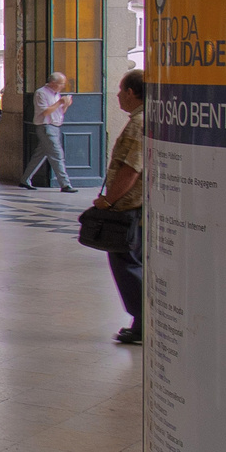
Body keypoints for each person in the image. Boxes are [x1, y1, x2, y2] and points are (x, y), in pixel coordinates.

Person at [98, 70, 146, 345]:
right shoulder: (140, 120)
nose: (117, 95)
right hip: (132, 205)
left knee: (126, 261)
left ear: (131, 92)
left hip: (130, 207)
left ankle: (144, 319)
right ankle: (140, 322)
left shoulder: (138, 123)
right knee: (130, 262)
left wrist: (108, 200)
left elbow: (131, 169)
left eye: (120, 89)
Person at [21, 72, 75, 192]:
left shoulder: (56, 94)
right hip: (46, 127)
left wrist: (65, 104)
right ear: (52, 83)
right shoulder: (41, 93)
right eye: (61, 83)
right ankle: (65, 184)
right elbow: (44, 112)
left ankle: (25, 179)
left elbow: (59, 112)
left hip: (55, 126)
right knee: (57, 154)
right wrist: (60, 102)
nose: (63, 86)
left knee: (40, 155)